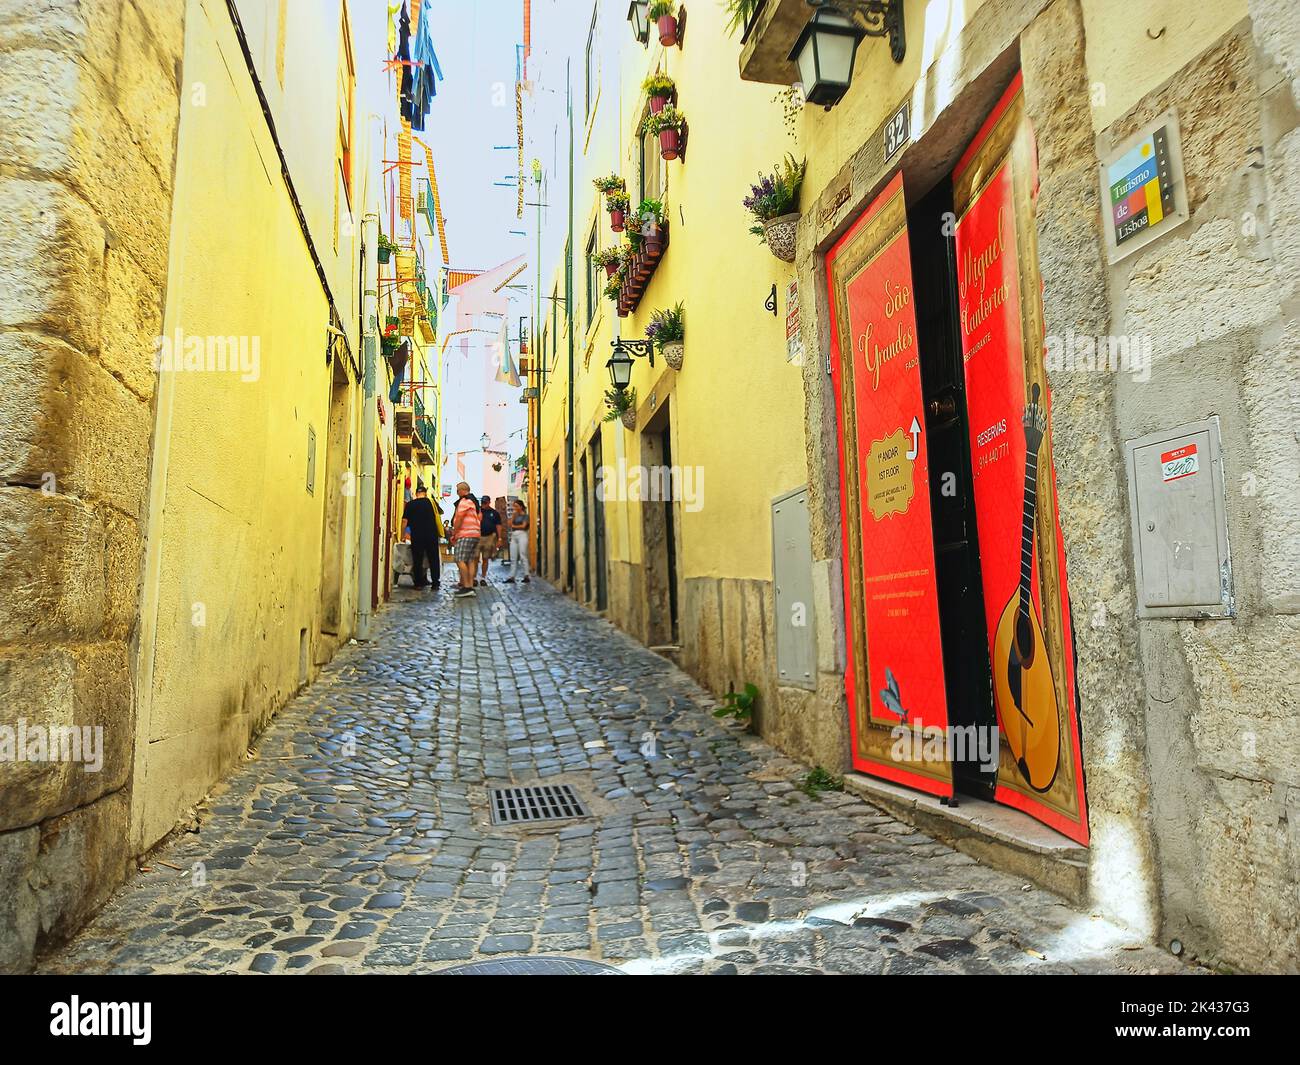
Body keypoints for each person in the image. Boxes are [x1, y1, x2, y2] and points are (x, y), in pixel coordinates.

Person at [401, 483, 442, 590]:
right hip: (431, 535)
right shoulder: (431, 503)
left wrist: (402, 534)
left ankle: (418, 583)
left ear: (416, 493)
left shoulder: (410, 504)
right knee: (433, 559)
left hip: (417, 535)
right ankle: (435, 583)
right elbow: (439, 516)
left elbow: (404, 521)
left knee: (417, 559)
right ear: (425, 493)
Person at [449, 481, 481, 598]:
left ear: (462, 490)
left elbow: (459, 518)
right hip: (475, 534)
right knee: (471, 560)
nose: (457, 493)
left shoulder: (463, 502)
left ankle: (467, 586)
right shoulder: (473, 502)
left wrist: (455, 533)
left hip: (465, 534)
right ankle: (470, 586)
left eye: (457, 491)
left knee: (459, 559)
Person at [504, 498, 531, 584]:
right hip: (514, 535)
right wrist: (513, 517)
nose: (515, 507)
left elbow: (523, 526)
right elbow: (509, 524)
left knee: (523, 555)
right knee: (513, 557)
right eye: (514, 506)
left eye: (516, 506)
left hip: (522, 535)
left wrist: (514, 526)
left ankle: (526, 575)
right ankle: (512, 576)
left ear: (521, 506)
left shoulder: (526, 516)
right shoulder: (515, 515)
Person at [477, 495, 502, 586]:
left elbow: (498, 525)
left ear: (489, 502)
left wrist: (499, 538)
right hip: (478, 536)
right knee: (475, 558)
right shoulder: (478, 511)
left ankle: (483, 577)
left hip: (489, 537)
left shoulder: (494, 513)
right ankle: (474, 577)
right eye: (482, 502)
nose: (483, 504)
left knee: (485, 558)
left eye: (485, 502)